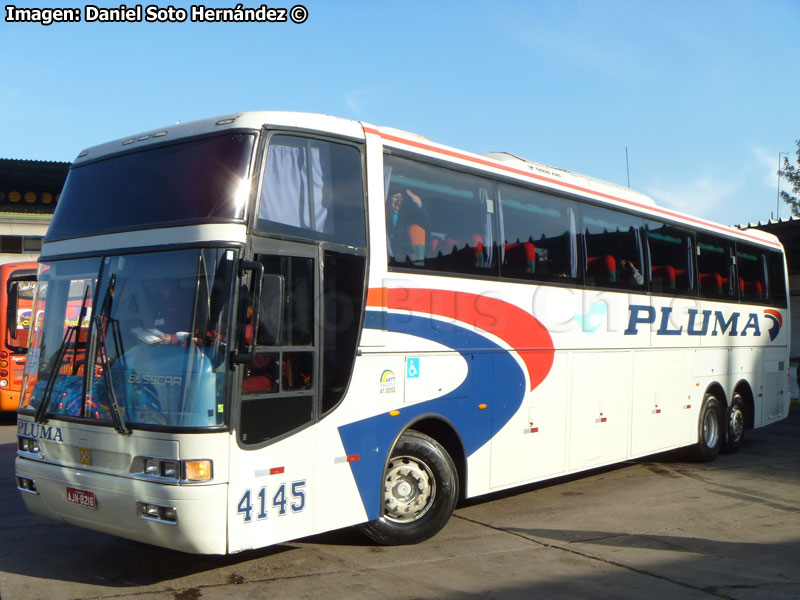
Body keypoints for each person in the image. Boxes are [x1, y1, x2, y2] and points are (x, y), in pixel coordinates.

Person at [386, 188, 430, 265]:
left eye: (401, 197)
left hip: (397, 259)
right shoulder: (379, 214)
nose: (399, 200)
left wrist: (419, 203)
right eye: (395, 196)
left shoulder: (406, 218)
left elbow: (425, 223)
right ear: (388, 198)